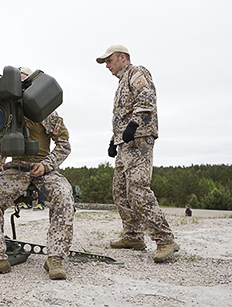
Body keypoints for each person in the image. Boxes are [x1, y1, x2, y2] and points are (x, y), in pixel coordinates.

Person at [0, 67, 74, 280]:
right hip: (16, 169)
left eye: (22, 82)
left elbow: (64, 144)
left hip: (42, 168)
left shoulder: (44, 110)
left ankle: (54, 258)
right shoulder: (4, 111)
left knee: (63, 195)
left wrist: (47, 165)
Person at [96, 45, 179, 263]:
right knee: (120, 191)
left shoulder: (137, 72)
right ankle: (133, 236)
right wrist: (114, 140)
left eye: (109, 60)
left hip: (139, 140)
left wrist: (134, 126)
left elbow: (147, 99)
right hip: (124, 144)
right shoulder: (121, 83)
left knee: (137, 189)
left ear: (122, 58)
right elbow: (122, 115)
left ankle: (165, 239)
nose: (107, 65)